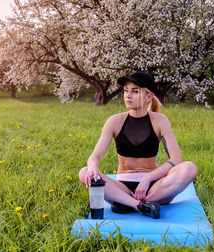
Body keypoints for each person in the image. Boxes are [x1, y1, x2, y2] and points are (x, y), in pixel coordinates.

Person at [79, 71, 197, 219]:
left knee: (189, 168)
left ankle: (132, 204)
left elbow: (176, 159)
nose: (128, 95)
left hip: (155, 188)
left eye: (135, 91)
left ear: (149, 97)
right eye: (126, 91)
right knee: (84, 173)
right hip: (122, 189)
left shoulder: (159, 120)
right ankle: (138, 205)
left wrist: (147, 179)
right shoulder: (114, 121)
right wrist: (93, 167)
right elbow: (94, 157)